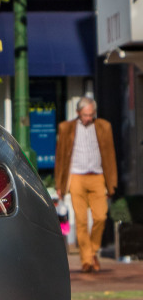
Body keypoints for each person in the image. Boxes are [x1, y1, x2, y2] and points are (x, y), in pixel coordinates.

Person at [54, 97, 117, 272]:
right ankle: (86, 261)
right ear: (78, 113)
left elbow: (110, 155)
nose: (89, 118)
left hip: (98, 176)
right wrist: (60, 184)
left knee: (101, 217)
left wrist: (111, 183)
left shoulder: (104, 126)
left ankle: (92, 251)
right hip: (76, 177)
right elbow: (60, 158)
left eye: (91, 114)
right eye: (85, 115)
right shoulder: (66, 128)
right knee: (81, 220)